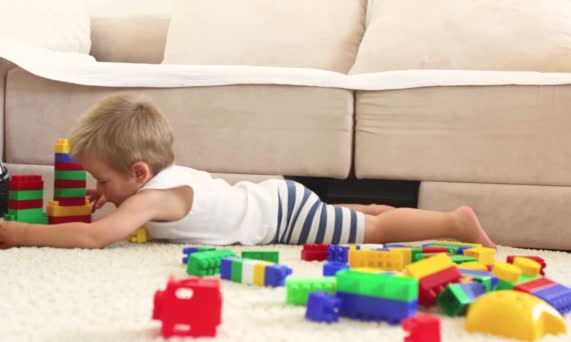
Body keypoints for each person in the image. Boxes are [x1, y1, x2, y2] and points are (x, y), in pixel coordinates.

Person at [0, 94, 495, 249]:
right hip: (275, 198)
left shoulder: (152, 197)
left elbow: (94, 239)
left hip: (281, 217)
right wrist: (114, 196)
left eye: (103, 181)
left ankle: (454, 223)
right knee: (353, 213)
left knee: (376, 231)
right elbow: (123, 203)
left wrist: (11, 232)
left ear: (138, 171)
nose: (96, 191)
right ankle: (369, 206)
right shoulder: (155, 184)